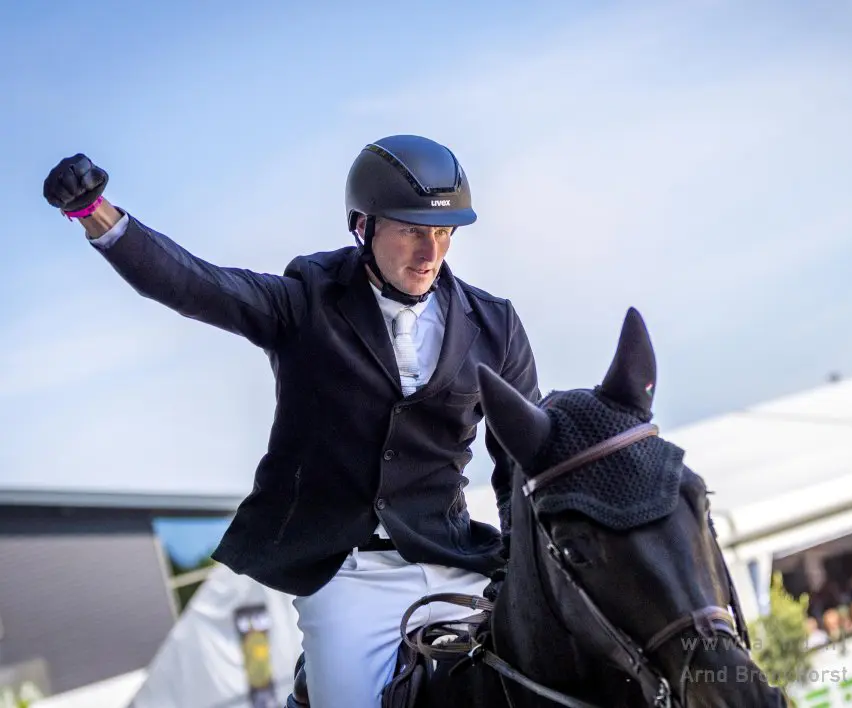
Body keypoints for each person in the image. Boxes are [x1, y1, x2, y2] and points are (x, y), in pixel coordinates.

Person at [42, 135, 541, 708]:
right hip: (349, 575)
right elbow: (196, 285)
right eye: (410, 230)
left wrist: (523, 563)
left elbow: (521, 459)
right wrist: (96, 214)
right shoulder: (305, 302)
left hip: (456, 556)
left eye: (444, 232)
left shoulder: (496, 325)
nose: (430, 253)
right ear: (363, 225)